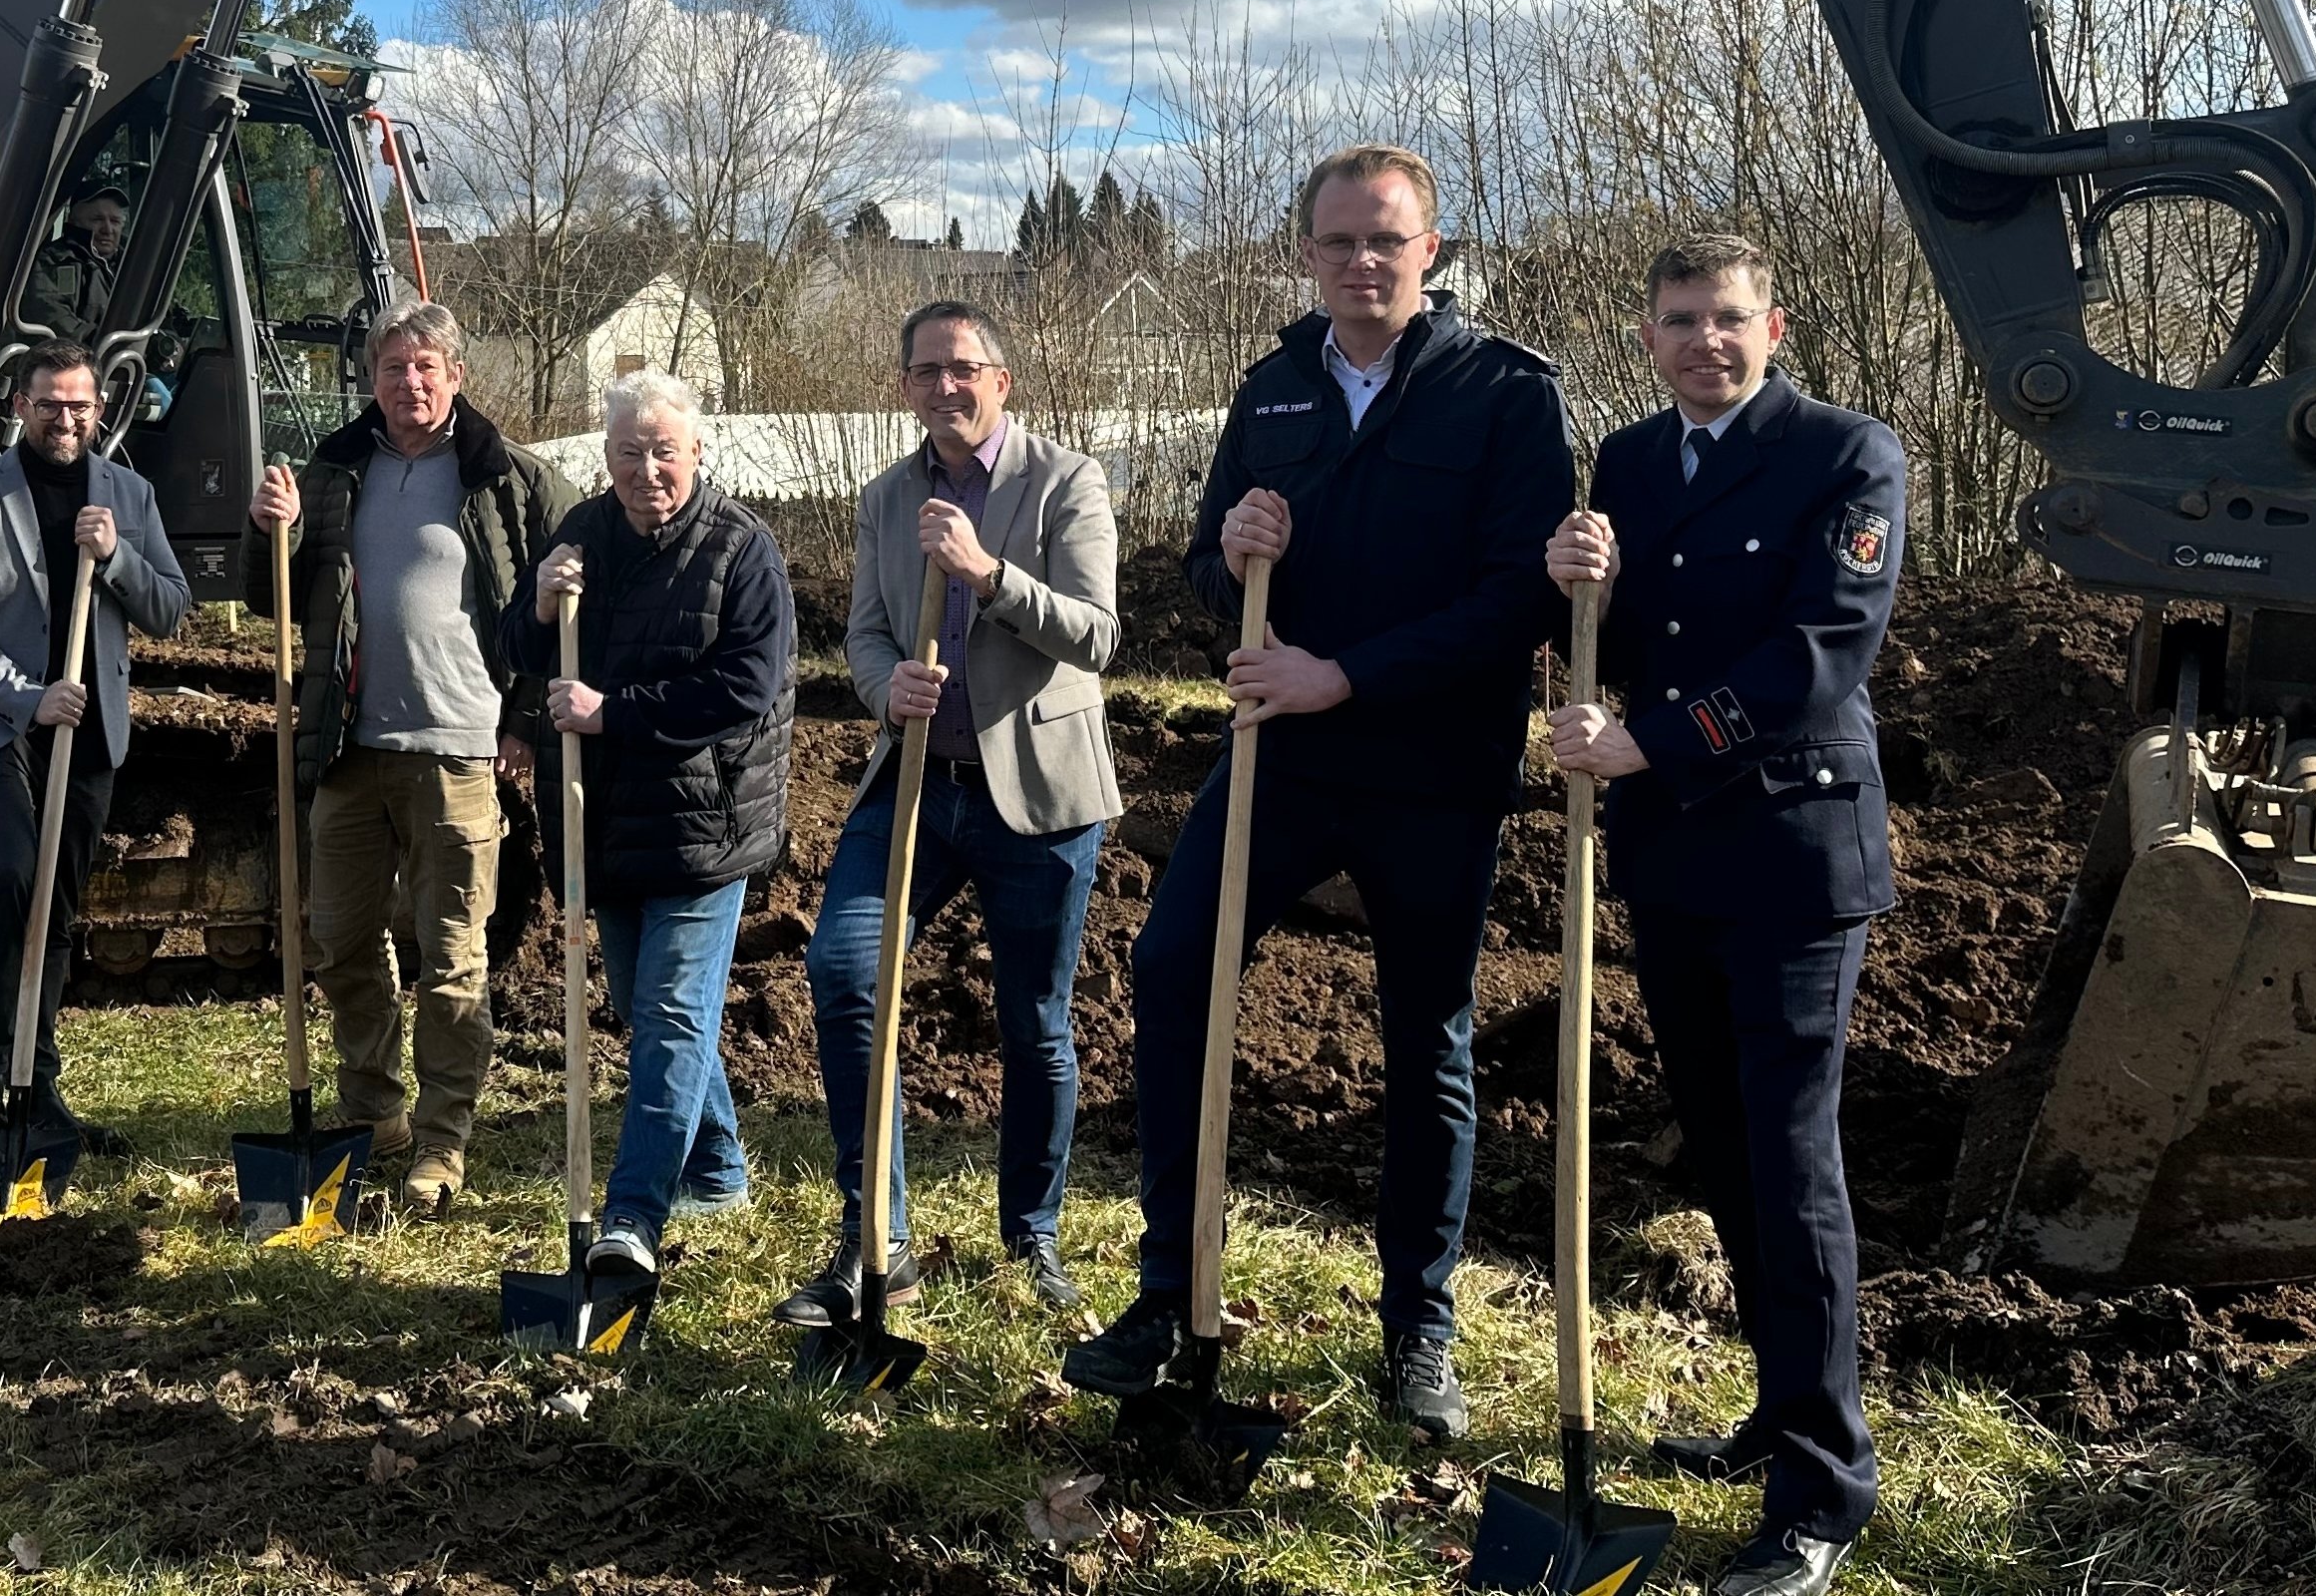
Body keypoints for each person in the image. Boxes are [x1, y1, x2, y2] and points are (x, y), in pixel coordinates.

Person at [1059, 143, 1573, 1442]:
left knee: (1429, 1041)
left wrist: (1345, 674)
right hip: (1281, 760)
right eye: (1339, 241)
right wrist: (1225, 558)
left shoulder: (1505, 394)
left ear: (1432, 252)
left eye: (1387, 241)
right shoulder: (1273, 389)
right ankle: (1172, 1291)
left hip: (1434, 773)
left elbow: (1520, 595)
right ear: (1306, 251)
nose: (1362, 262)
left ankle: (1420, 1333)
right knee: (1173, 971)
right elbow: (1201, 562)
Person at [1544, 234, 1901, 1596]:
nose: (1706, 341)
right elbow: (1626, 643)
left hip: (1794, 859)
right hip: (1673, 861)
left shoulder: (1847, 455)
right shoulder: (1631, 466)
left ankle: (1823, 1488)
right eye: (1681, 320)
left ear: (1778, 328)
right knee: (1733, 1151)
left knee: (1794, 1166)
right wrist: (1576, 581)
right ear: (1647, 336)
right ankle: (1776, 1413)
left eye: (1730, 320)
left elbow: (1822, 654)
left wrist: (1652, 743)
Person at [777, 298, 1121, 1328]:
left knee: (1035, 1025)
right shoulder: (887, 497)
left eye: (963, 368)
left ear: (1000, 380)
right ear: (904, 387)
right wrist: (885, 690)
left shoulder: (1068, 481)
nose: (946, 388)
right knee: (844, 972)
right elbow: (867, 633)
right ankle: (872, 1237)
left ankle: (1035, 1235)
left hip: (1040, 795)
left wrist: (988, 575)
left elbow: (1099, 636)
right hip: (919, 786)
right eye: (925, 372)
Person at [244, 302, 576, 1210]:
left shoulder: (509, 479)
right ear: (371, 379)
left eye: (426, 367)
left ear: (457, 375)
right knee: (340, 939)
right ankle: (376, 1113)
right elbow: (267, 590)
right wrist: (265, 528)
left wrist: (522, 722)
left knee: (452, 957)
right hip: (349, 748)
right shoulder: (333, 472)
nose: (410, 383)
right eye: (393, 368)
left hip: (460, 752)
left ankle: (442, 1141)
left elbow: (557, 616)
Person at [496, 370, 794, 1283]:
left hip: (707, 827)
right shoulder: (580, 533)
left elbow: (747, 685)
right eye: (630, 452)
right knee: (647, 1008)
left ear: (697, 452)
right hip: (603, 822)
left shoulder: (743, 549)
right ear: (608, 455)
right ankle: (719, 1165)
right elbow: (517, 651)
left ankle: (631, 1218)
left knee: (669, 1015)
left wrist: (610, 712)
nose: (647, 469)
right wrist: (540, 605)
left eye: (665, 450)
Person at [0, 341, 193, 1234]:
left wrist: (114, 558)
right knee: (10, 879)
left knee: (61, 906)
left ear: (100, 410)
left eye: (79, 406)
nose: (64, 420)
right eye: (48, 405)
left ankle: (41, 1081)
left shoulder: (130, 498)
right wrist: (27, 696)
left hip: (89, 736)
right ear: (20, 405)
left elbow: (170, 609)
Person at [19, 185, 130, 340]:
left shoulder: (133, 266)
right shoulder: (58, 261)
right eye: (97, 219)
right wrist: (101, 341)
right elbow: (54, 318)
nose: (108, 229)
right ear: (74, 221)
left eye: (115, 221)